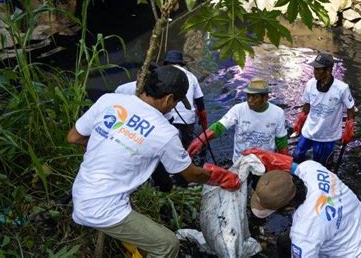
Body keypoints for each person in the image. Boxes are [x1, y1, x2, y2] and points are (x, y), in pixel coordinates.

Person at [67, 65, 240, 257]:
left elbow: (74, 137)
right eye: (176, 103)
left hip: (82, 190)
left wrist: (111, 143)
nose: (174, 107)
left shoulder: (109, 100)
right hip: (102, 208)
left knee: (144, 239)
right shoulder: (164, 132)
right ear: (168, 99)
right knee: (168, 244)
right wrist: (220, 176)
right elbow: (190, 174)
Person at [243, 148, 361, 257]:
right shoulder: (311, 168)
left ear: (289, 208)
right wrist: (269, 157)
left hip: (354, 254)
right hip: (359, 227)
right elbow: (293, 166)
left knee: (287, 242)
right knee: (284, 241)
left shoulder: (304, 232)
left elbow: (304, 242)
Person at [115, 50, 208, 147]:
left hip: (158, 122)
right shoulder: (191, 77)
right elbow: (200, 104)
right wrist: (205, 128)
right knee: (187, 147)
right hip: (187, 119)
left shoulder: (159, 77)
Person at [187, 77, 289, 164]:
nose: (250, 100)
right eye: (248, 95)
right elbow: (219, 127)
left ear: (265, 98)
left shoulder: (278, 113)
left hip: (264, 162)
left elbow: (281, 142)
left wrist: (284, 165)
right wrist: (200, 140)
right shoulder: (238, 109)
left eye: (255, 97)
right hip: (240, 161)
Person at [292, 52, 355, 167]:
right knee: (296, 157)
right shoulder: (310, 84)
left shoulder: (341, 88)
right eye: (314, 68)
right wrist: (301, 119)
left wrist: (349, 126)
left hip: (327, 135)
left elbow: (350, 108)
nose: (314, 72)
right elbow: (307, 104)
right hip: (309, 131)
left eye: (318, 69)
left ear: (328, 70)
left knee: (321, 165)